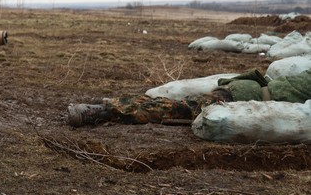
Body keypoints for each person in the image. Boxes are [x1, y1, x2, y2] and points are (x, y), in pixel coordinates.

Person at [67, 69, 311, 127]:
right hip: (242, 96)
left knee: (178, 106)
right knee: (175, 109)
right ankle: (102, 111)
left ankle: (108, 106)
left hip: (244, 87)